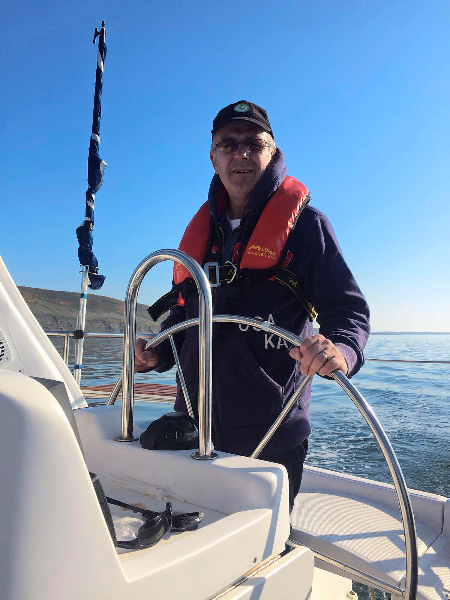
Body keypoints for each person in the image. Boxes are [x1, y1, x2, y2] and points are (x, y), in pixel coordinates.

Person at [135, 100, 370, 509]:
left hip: (271, 432)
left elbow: (349, 311)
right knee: (193, 532)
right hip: (192, 422)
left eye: (253, 144)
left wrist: (340, 349)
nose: (240, 153)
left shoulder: (307, 227)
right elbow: (184, 314)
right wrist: (158, 353)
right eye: (228, 144)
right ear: (213, 158)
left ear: (272, 151)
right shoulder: (201, 232)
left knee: (261, 542)